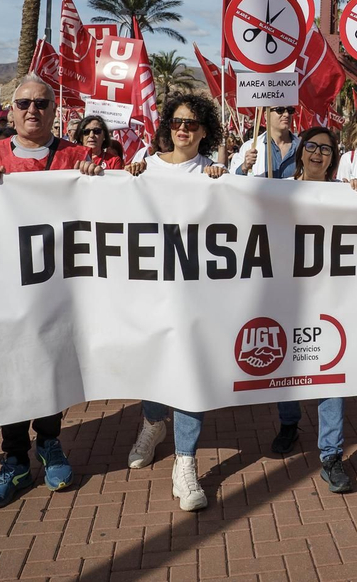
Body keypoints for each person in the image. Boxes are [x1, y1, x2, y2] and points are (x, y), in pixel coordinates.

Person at [0, 78, 102, 507]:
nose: (32, 110)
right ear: (11, 111)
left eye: (41, 103)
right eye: (24, 103)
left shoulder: (77, 156)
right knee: (10, 366)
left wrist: (96, 180)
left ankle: (49, 441)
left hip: (58, 285)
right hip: (5, 284)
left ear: (54, 110)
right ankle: (14, 459)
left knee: (50, 362)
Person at [124, 94, 226, 510]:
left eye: (192, 123)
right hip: (150, 290)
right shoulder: (143, 166)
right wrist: (120, 178)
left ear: (204, 131)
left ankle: (185, 462)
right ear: (168, 125)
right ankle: (153, 422)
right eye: (178, 121)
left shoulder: (214, 173)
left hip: (197, 294)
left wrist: (225, 182)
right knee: (154, 364)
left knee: (190, 371)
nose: (183, 129)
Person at [266, 125, 357, 492]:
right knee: (285, 365)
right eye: (313, 147)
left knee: (331, 370)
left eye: (326, 149)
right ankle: (289, 422)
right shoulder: (277, 188)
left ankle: (331, 454)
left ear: (333, 159)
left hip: (330, 297)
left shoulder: (343, 193)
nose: (318, 154)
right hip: (286, 295)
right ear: (301, 151)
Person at [231, 104, 300, 177]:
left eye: (290, 110)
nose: (286, 114)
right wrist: (244, 167)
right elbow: (232, 178)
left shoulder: (302, 146)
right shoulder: (249, 147)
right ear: (266, 115)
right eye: (280, 110)